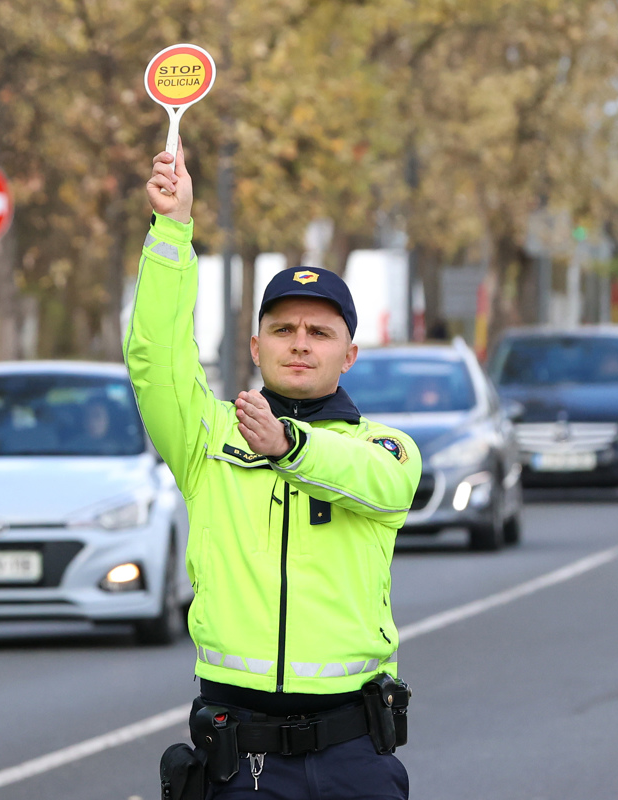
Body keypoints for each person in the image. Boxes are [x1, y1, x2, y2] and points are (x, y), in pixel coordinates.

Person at [125, 142, 421, 800]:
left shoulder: (387, 448)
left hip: (353, 753)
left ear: (349, 353)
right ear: (256, 345)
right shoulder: (210, 439)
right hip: (242, 761)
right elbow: (155, 356)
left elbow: (377, 481)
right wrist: (172, 229)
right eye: (284, 329)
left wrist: (289, 447)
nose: (300, 342)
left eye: (320, 332)